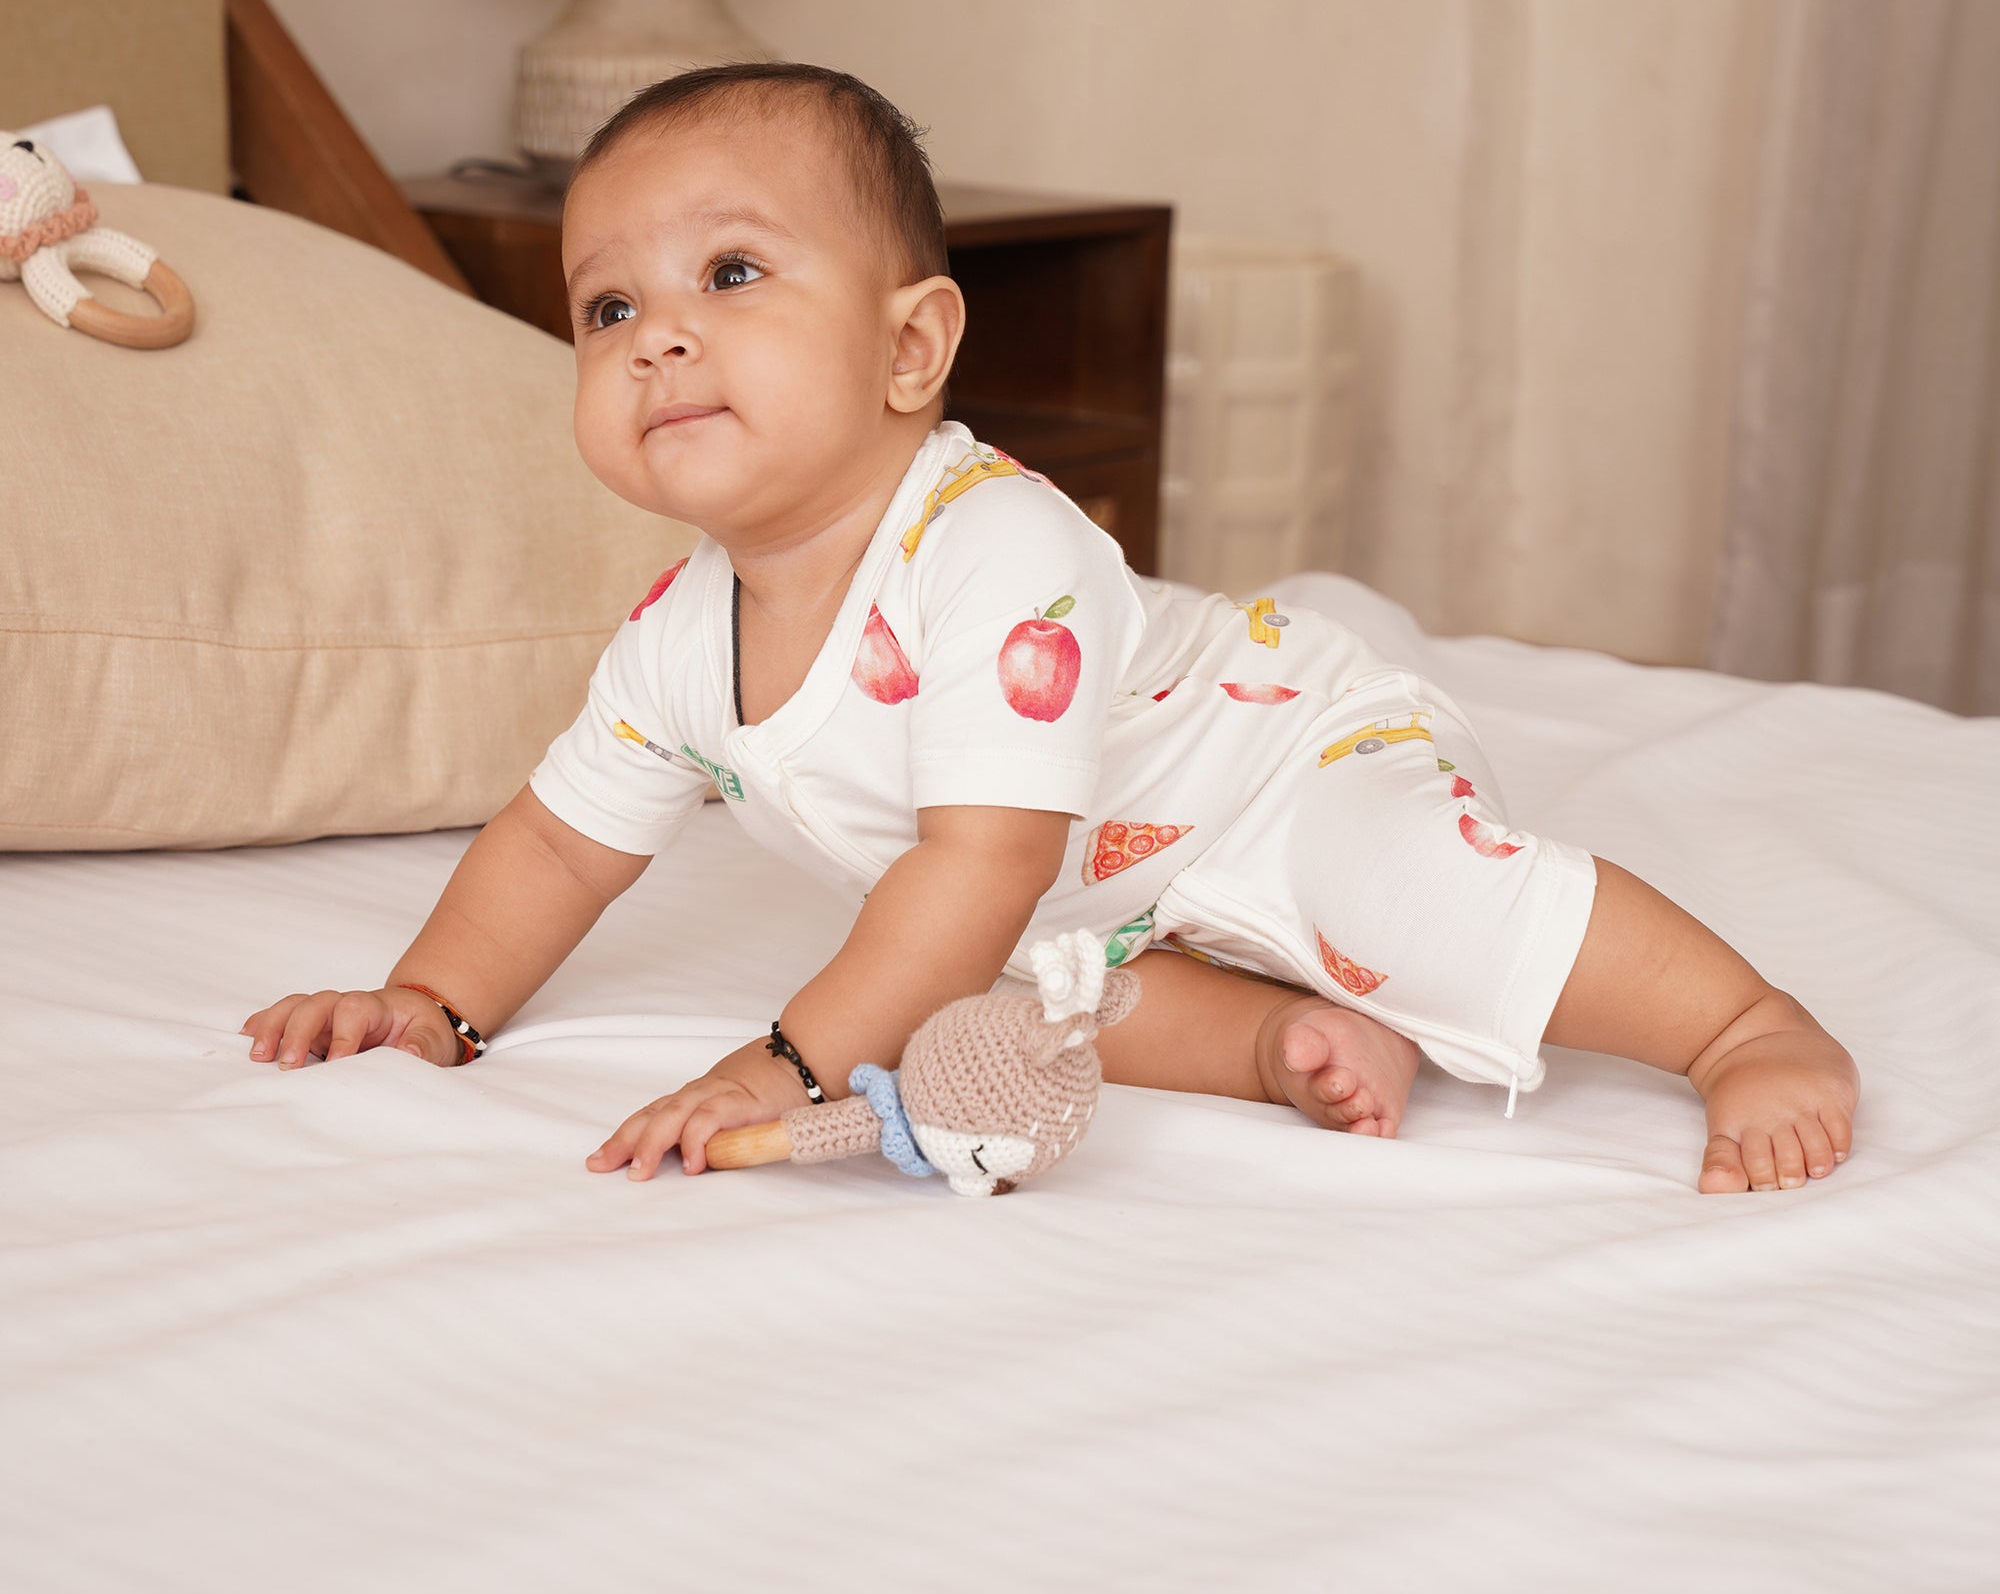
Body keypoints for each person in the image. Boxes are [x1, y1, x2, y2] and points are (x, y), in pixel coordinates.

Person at [240, 64, 1859, 1195]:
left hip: (1284, 762)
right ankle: (1290, 1042)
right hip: (1109, 885)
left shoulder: (994, 543)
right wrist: (434, 1001)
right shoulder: (679, 636)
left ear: (910, 346)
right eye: (609, 308)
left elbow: (978, 862)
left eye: (731, 273)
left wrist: (790, 1066)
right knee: (1005, 1006)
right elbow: (554, 845)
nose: (659, 336)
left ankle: (1743, 1022)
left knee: (1394, 894)